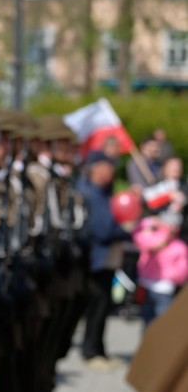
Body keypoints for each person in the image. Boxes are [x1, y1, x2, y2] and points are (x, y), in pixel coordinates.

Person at [75, 149, 132, 368]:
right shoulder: (93, 193)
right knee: (96, 307)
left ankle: (99, 350)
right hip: (96, 259)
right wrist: (126, 230)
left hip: (106, 257)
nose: (112, 172)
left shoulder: (103, 192)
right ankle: (91, 352)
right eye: (108, 167)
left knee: (103, 305)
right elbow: (103, 229)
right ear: (96, 169)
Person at [132, 212, 188, 326]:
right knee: (147, 321)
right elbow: (137, 234)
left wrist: (168, 276)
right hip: (146, 284)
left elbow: (182, 271)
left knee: (162, 322)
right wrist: (150, 222)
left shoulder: (179, 247)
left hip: (164, 288)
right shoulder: (152, 238)